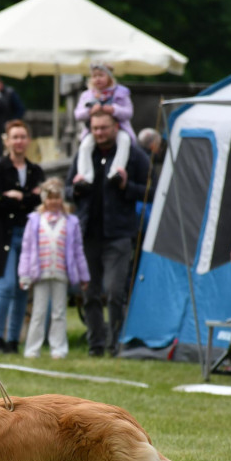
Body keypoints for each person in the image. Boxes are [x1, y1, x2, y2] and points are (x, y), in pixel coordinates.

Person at [66, 110, 150, 357]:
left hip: (119, 234)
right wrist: (76, 189)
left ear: (116, 127)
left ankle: (115, 344)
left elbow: (151, 190)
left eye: (104, 128)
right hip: (88, 234)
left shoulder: (134, 155)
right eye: (95, 128)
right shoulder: (84, 152)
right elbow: (67, 191)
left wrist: (126, 186)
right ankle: (96, 344)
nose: (99, 133)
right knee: (89, 292)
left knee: (115, 292)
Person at [0, 119, 44, 353]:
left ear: (28, 140)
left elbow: (40, 202)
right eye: (15, 137)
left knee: (22, 288)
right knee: (7, 286)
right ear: (7, 141)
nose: (19, 141)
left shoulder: (35, 171)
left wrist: (18, 196)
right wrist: (27, 197)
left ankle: (13, 341)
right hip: (4, 236)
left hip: (28, 236)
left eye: (23, 137)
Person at [17, 177, 89, 359]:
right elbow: (27, 249)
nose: (54, 201)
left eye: (57, 197)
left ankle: (59, 349)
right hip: (40, 273)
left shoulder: (71, 222)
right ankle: (32, 349)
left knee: (59, 312)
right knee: (38, 312)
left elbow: (78, 251)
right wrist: (24, 274)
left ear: (62, 198)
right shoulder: (34, 220)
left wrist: (84, 276)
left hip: (61, 273)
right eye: (50, 198)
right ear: (44, 199)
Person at [73, 63, 135, 185]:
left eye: (101, 75)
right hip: (93, 132)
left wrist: (114, 110)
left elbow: (129, 112)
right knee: (85, 146)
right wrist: (90, 111)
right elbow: (78, 115)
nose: (97, 79)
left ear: (109, 77)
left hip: (117, 130)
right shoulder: (87, 95)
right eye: (94, 76)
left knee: (124, 140)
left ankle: (116, 172)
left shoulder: (121, 92)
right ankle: (85, 177)